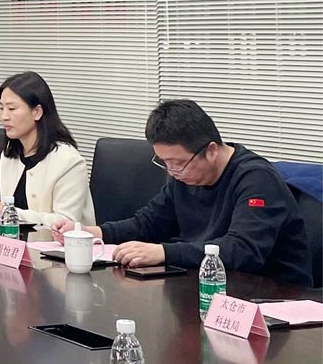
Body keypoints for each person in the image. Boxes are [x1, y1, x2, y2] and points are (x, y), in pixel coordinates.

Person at [53, 100, 311, 286]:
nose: (172, 171)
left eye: (177, 163)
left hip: (272, 296)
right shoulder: (184, 174)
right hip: (203, 284)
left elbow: (242, 251)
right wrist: (92, 233)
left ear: (211, 150)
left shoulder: (257, 179)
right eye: (165, 162)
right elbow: (149, 222)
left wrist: (163, 252)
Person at [0, 72, 95, 230]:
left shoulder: (69, 161)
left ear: (37, 112)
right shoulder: (9, 154)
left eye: (12, 108)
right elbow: (8, 213)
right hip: (17, 242)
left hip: (59, 245)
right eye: (1, 108)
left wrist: (6, 211)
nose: (4, 116)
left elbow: (65, 222)